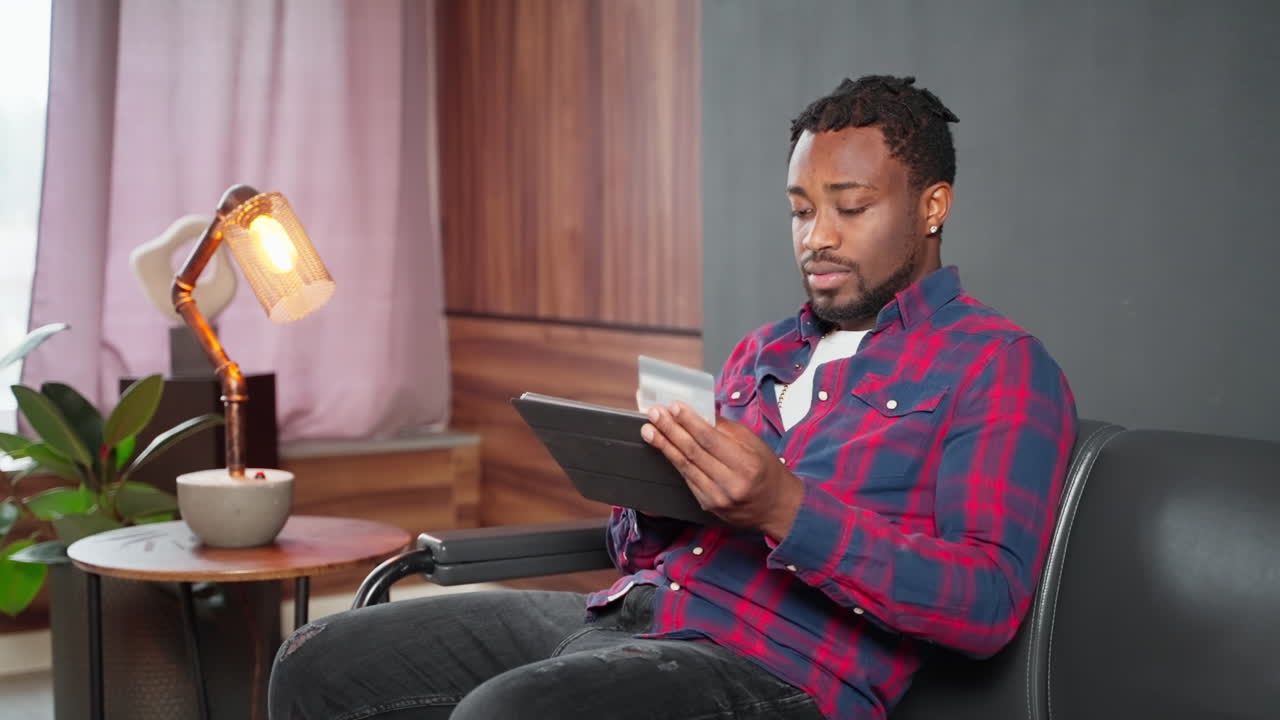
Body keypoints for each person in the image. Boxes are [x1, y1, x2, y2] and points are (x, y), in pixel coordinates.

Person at [268, 75, 1077, 720]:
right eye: (800, 212)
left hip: (775, 670)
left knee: (511, 712)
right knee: (321, 658)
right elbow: (635, 551)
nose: (815, 237)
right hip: (626, 618)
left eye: (849, 208)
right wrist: (653, 488)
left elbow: (986, 604)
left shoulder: (997, 365)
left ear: (932, 206)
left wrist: (785, 508)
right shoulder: (765, 348)